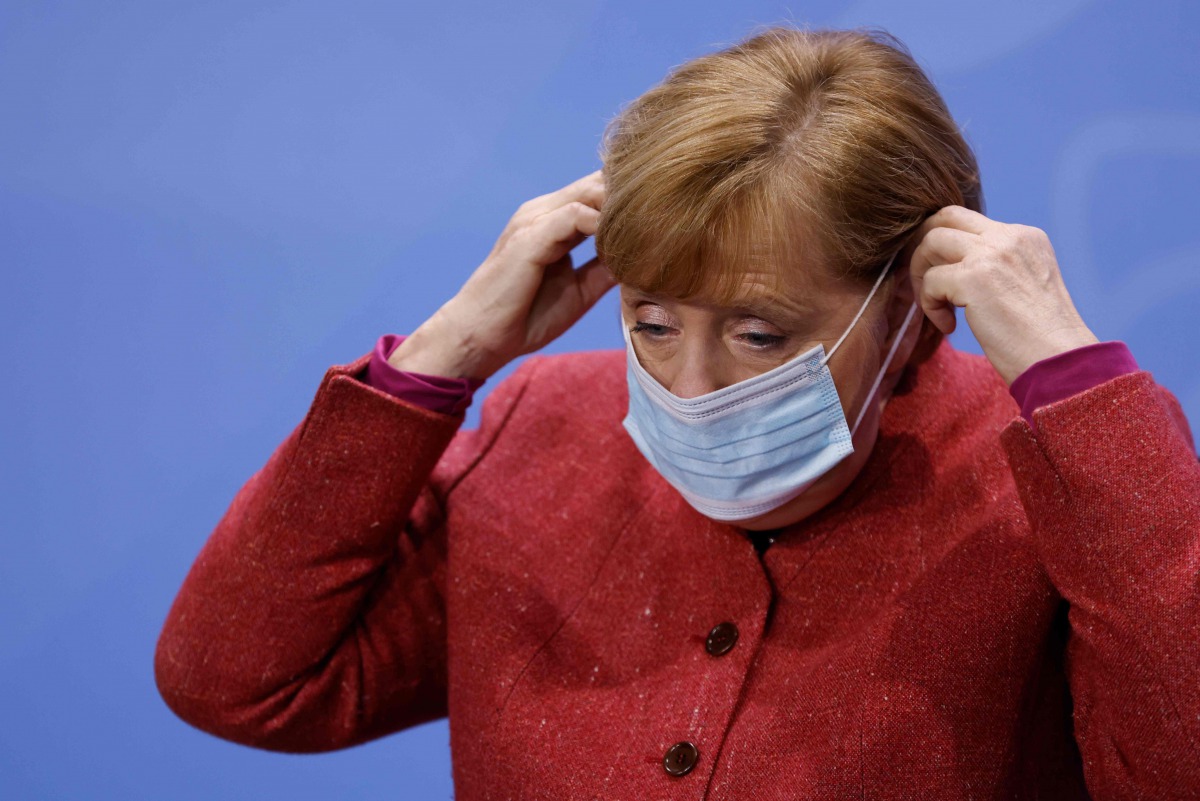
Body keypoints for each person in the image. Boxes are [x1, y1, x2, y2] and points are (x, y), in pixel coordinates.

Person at [155, 24, 1200, 799]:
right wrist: (443, 358)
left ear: (909, 313)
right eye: (652, 324)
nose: (688, 387)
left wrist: (1079, 391)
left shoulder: (1052, 484)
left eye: (759, 335)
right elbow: (235, 681)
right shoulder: (540, 431)